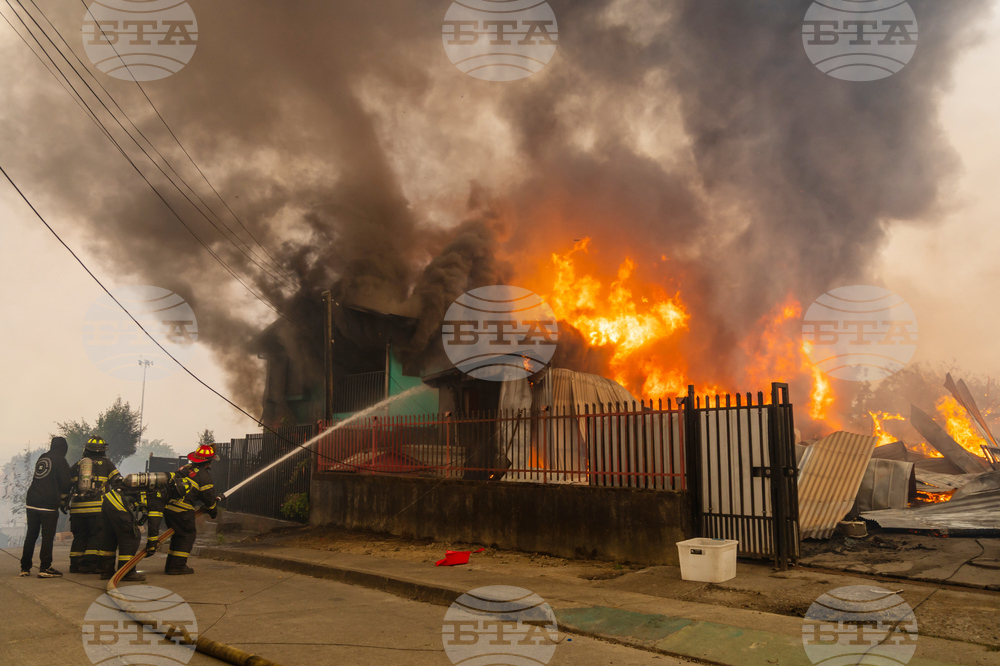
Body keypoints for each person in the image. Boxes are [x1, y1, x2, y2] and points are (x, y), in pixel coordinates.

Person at [19, 436, 73, 578]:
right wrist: (64, 500)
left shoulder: (43, 457)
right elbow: (66, 483)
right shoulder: (61, 460)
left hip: (32, 500)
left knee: (31, 534)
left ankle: (25, 568)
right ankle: (45, 568)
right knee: (47, 536)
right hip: (47, 504)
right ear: (63, 448)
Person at [163, 444, 219, 575]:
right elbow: (208, 499)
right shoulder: (204, 477)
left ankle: (171, 565)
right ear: (208, 462)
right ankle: (177, 567)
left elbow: (191, 491)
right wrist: (213, 511)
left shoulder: (185, 468)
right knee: (187, 535)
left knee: (178, 536)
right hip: (182, 510)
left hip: (169, 508)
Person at [68, 436, 119, 574]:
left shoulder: (78, 465)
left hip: (77, 510)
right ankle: (90, 565)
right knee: (95, 536)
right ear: (103, 450)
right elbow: (118, 482)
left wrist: (62, 502)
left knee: (79, 536)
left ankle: (75, 565)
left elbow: (67, 485)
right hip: (97, 510)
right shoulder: (107, 464)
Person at [96, 477, 147, 582]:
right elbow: (154, 517)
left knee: (109, 536)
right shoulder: (158, 495)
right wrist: (153, 539)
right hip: (118, 503)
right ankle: (127, 572)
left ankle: (106, 571)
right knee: (131, 537)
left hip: (109, 499)